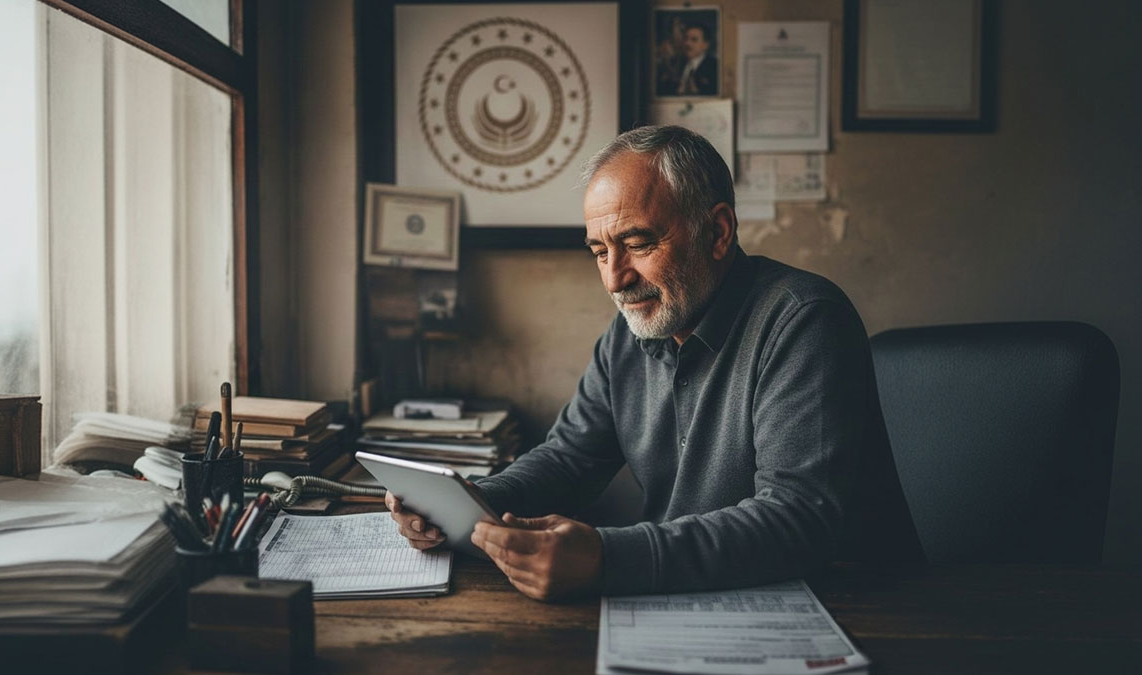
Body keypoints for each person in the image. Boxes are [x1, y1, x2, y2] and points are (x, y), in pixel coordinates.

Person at [386, 126, 920, 601]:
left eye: (637, 244)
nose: (615, 279)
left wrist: (608, 558)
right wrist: (468, 502)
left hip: (842, 608)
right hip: (690, 599)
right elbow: (569, 459)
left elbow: (799, 518)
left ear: (718, 233)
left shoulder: (804, 319)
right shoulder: (629, 334)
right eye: (599, 252)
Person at [675, 23, 717, 96]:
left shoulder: (715, 67)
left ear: (705, 45)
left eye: (694, 40)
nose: (687, 43)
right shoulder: (676, 64)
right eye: (686, 39)